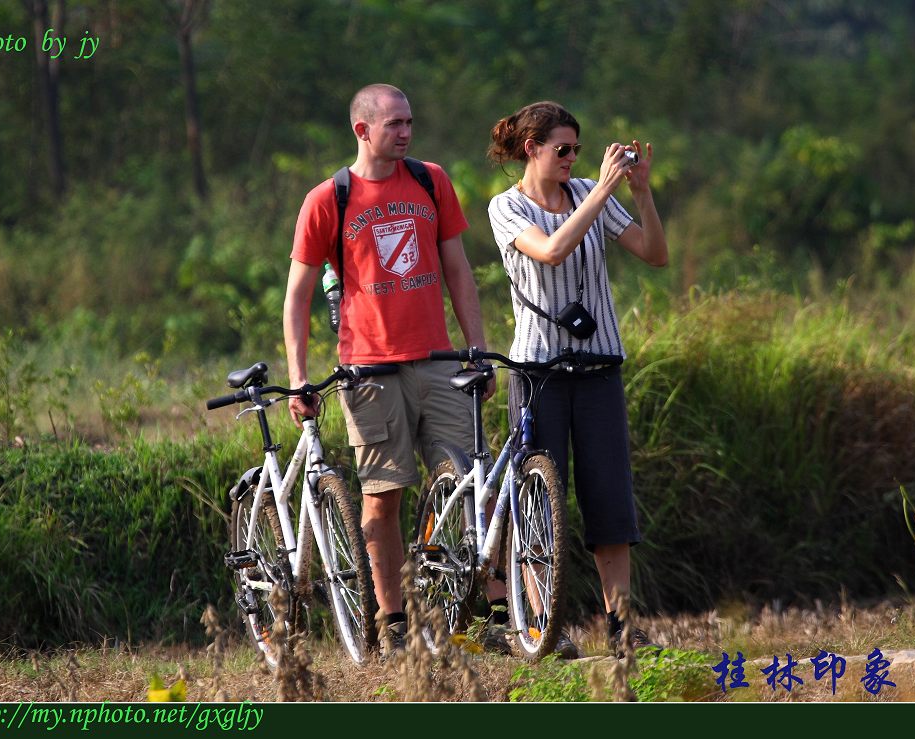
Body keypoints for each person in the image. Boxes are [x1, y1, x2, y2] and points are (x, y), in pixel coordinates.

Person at [283, 83, 502, 654]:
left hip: (439, 362)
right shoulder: (328, 199)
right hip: (370, 371)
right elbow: (298, 297)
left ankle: (499, 612)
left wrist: (476, 347)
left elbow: (458, 269)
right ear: (362, 130)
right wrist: (299, 377)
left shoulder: (431, 179)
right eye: (394, 124)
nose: (405, 132)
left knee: (471, 483)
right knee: (384, 496)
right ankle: (393, 620)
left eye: (409, 121)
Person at [487, 101, 668, 656]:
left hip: (598, 369)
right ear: (530, 149)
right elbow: (551, 249)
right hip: (539, 371)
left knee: (610, 500)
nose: (570, 160)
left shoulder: (591, 191)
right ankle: (541, 623)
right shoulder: (506, 207)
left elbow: (654, 254)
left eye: (577, 151)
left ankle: (620, 625)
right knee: (539, 501)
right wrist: (602, 192)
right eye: (560, 150)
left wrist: (638, 191)